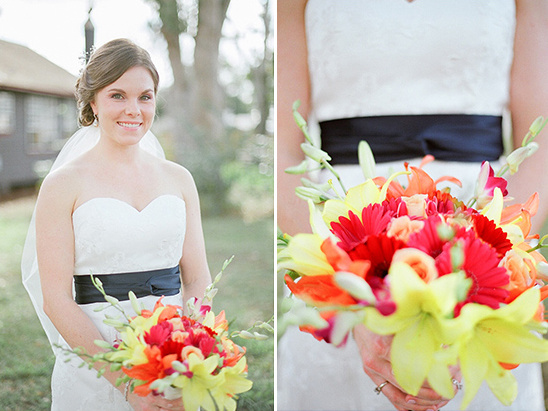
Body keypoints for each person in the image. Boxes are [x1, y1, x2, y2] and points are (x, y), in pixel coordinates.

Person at [277, 1, 548, 410]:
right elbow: (282, 146)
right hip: (341, 233)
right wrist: (353, 295)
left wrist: (480, 281)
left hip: (481, 237)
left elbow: (539, 144)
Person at [21, 38, 211, 411]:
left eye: (145, 96)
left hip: (172, 355)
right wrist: (128, 383)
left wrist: (189, 351)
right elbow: (56, 300)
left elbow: (197, 278)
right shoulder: (62, 185)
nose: (134, 110)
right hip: (96, 356)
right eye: (117, 96)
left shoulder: (179, 179)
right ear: (93, 102)